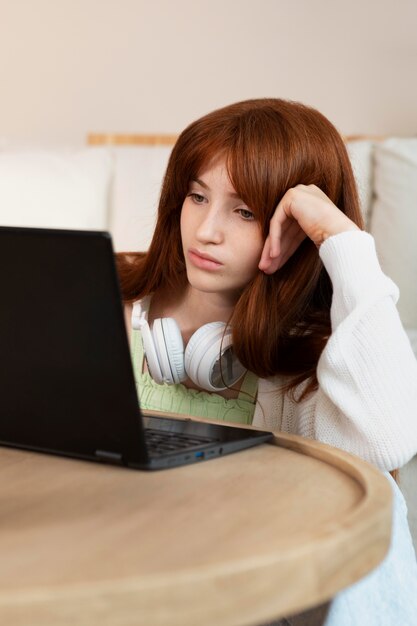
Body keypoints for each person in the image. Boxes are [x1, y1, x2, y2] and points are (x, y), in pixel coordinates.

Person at [118, 98, 417, 624]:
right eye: (196, 196)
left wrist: (339, 237)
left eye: (245, 211)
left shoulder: (307, 360)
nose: (207, 230)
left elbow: (389, 444)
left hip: (238, 593)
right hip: (110, 561)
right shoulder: (114, 300)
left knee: (385, 503)